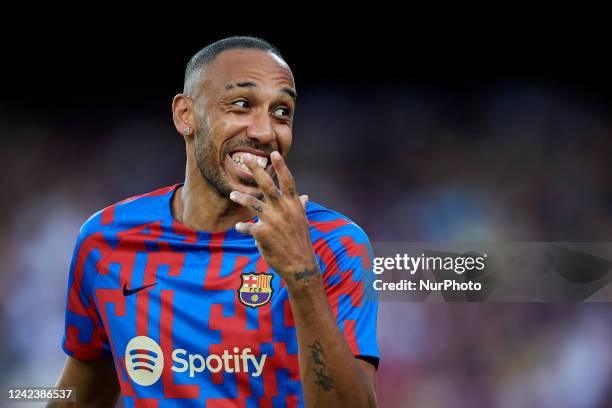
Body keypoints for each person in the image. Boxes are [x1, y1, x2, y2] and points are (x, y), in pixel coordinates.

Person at [50, 36, 379, 407]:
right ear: (185, 115)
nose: (265, 131)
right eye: (241, 105)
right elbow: (80, 398)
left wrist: (303, 275)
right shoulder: (107, 240)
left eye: (281, 112)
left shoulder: (334, 244)